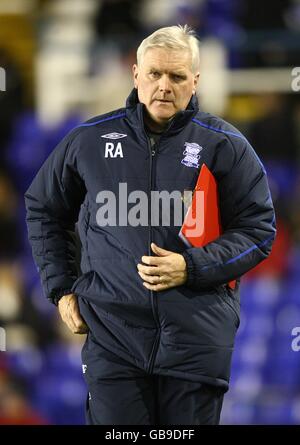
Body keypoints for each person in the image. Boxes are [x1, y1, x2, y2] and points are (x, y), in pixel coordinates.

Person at [25, 25, 276, 425]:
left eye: (177, 76)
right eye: (155, 73)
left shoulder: (225, 145)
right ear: (136, 74)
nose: (164, 85)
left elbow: (258, 231)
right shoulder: (88, 141)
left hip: (196, 340)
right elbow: (43, 209)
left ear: (194, 82)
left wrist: (191, 267)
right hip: (112, 337)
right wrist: (61, 290)